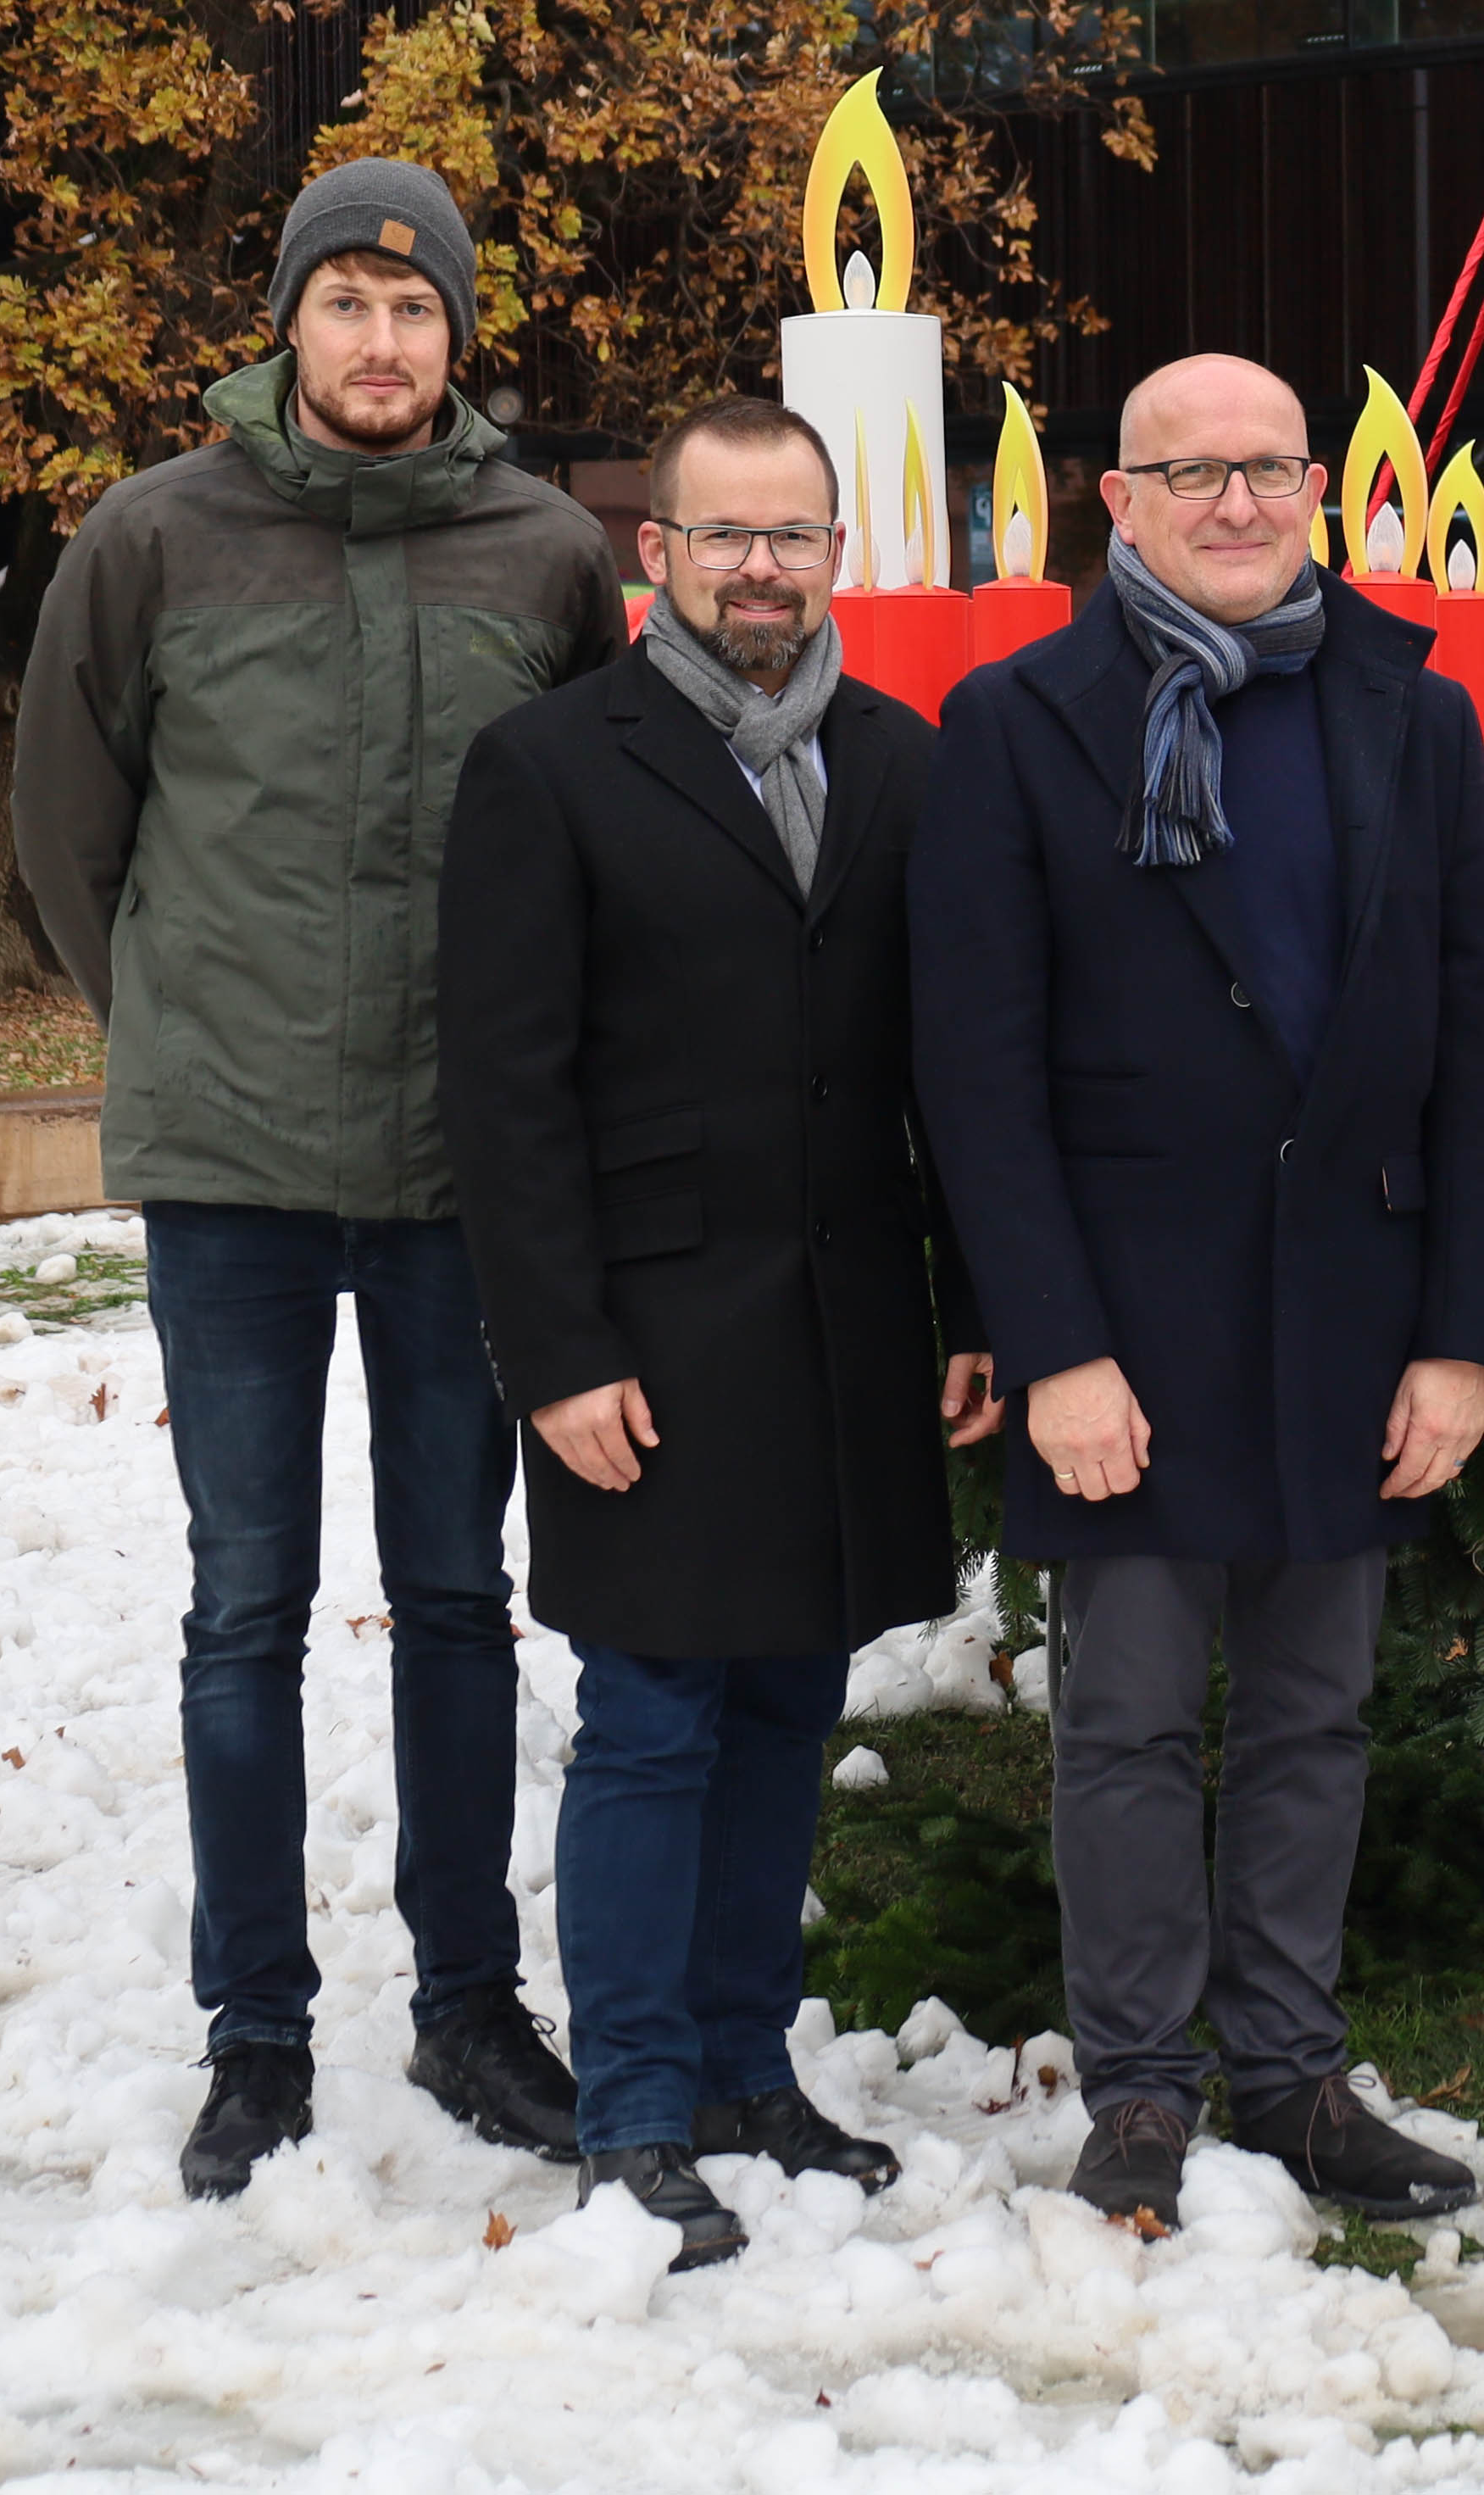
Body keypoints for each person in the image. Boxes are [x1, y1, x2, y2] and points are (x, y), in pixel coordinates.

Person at [13, 158, 626, 2199]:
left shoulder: (543, 552)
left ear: (459, 338)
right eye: (345, 305)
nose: (380, 343)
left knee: (460, 1598)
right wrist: (175, 1025)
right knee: (240, 1607)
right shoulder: (153, 537)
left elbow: (595, 840)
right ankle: (255, 2034)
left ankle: (468, 2008)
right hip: (240, 1172)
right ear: (288, 322)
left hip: (469, 1168)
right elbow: (65, 829)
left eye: (415, 309)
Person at [910, 351, 1484, 2241]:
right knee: (1126, 1720)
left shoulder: (1407, 713)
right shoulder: (1017, 724)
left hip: (1352, 1294)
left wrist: (1460, 1331)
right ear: (1123, 501)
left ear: (1317, 487)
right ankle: (1140, 2093)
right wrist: (1054, 1344)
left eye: (1269, 469)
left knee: (1313, 1715)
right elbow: (976, 1073)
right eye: (1196, 475)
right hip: (1130, 1313)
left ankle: (1290, 2069)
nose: (1238, 504)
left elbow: (1470, 1049)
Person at [436, 396, 987, 2272]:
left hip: (841, 1323)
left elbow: (953, 1071)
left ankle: (752, 2070)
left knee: (786, 1703)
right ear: (651, 554)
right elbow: (504, 1097)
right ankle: (639, 2112)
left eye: (795, 536)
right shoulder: (549, 768)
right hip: (647, 1341)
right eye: (723, 535)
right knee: (656, 1716)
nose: (762, 568)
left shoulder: (900, 765)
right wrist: (555, 1354)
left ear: (836, 556)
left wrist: (971, 1307)